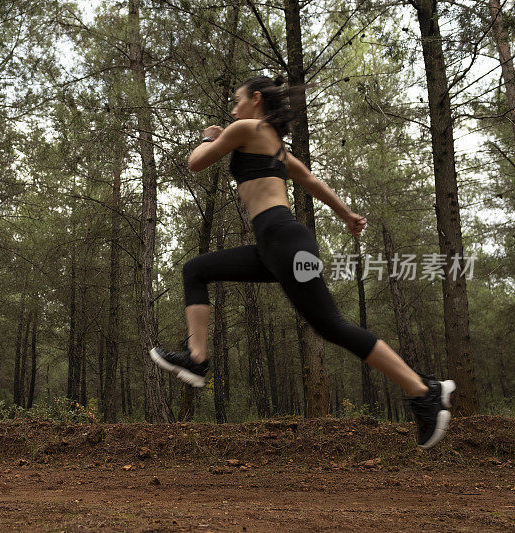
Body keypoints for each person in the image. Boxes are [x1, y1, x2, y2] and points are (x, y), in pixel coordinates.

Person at [149, 74, 455, 449]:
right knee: (195, 270)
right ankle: (196, 360)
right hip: (276, 247)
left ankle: (423, 389)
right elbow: (310, 179)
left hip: (284, 242)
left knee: (332, 325)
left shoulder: (246, 127)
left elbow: (196, 163)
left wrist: (210, 136)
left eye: (236, 100)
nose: (233, 109)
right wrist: (346, 215)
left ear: (256, 99)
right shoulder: (275, 147)